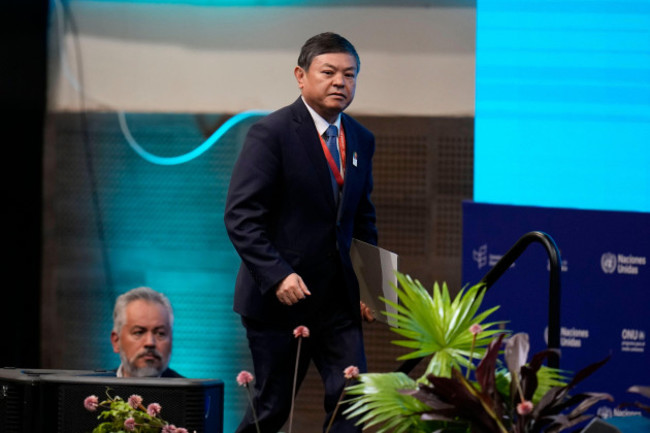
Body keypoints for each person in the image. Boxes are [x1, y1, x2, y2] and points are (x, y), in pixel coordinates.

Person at [224, 32, 377, 432]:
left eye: (350, 74)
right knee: (271, 410)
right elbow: (241, 216)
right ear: (301, 75)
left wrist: (374, 286)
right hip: (280, 302)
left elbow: (363, 218)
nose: (340, 82)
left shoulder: (361, 138)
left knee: (354, 402)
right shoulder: (271, 133)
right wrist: (277, 274)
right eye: (328, 72)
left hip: (339, 303)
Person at [110, 286, 182, 378]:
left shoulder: (191, 392)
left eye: (160, 333)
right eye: (139, 332)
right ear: (116, 341)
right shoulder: (94, 390)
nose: (150, 342)